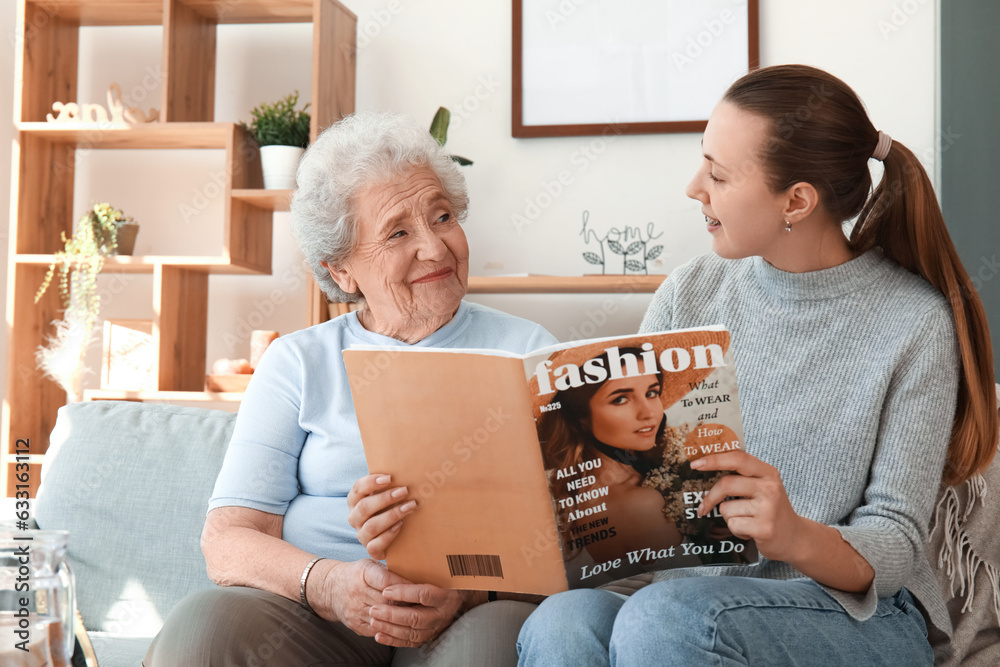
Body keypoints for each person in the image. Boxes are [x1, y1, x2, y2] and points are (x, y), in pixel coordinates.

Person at [516, 64, 998, 666]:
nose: (695, 187)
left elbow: (896, 547)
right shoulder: (690, 290)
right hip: (685, 598)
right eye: (702, 162)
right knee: (564, 621)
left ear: (796, 199)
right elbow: (638, 488)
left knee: (665, 619)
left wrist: (791, 532)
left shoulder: (914, 322)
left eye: (717, 174)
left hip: (853, 614)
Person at [143, 111, 557, 667]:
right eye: (399, 232)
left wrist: (469, 591)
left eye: (442, 216)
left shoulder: (528, 349)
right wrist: (330, 585)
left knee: (494, 642)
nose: (435, 248)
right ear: (341, 270)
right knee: (205, 628)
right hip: (318, 614)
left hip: (472, 609)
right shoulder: (298, 361)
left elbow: (576, 537)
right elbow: (228, 540)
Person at [537, 347, 686, 566]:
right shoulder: (641, 503)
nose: (648, 413)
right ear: (581, 418)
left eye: (651, 393)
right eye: (620, 399)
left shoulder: (568, 493)